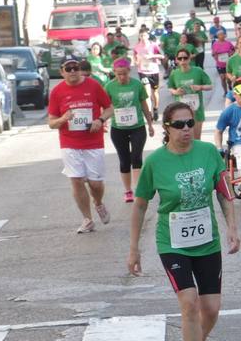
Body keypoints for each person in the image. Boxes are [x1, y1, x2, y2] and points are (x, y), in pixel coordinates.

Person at [129, 100, 241, 341]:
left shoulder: (207, 153)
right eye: (178, 125)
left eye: (190, 123)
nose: (186, 129)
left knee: (212, 309)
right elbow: (140, 205)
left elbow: (224, 192)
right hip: (173, 242)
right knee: (189, 304)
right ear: (166, 128)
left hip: (207, 241)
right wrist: (134, 249)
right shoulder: (155, 162)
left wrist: (232, 228)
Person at [47, 58, 114, 234]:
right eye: (68, 69)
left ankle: (98, 203)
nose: (72, 71)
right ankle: (87, 219)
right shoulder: (57, 92)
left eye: (75, 68)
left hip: (93, 142)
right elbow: (51, 123)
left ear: (79, 70)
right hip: (70, 143)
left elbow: (109, 108)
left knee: (95, 184)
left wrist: (100, 119)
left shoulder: (93, 86)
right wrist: (63, 119)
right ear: (61, 72)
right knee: (76, 180)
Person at [105, 58, 155, 203]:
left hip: (137, 127)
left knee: (136, 157)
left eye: (124, 74)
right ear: (114, 72)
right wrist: (103, 121)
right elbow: (106, 107)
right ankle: (128, 191)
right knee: (124, 160)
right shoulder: (109, 87)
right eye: (118, 74)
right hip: (118, 128)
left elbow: (144, 104)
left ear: (129, 72)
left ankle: (138, 189)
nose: (121, 77)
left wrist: (150, 124)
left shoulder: (137, 84)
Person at [166, 48, 212, 140]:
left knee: (196, 140)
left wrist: (200, 87)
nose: (182, 60)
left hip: (196, 111)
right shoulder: (174, 73)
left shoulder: (198, 71)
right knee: (182, 139)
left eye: (185, 58)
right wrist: (175, 92)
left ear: (189, 59)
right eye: (180, 58)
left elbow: (210, 86)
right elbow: (170, 88)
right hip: (180, 112)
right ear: (176, 60)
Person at [133, 26, 163, 117]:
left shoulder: (153, 45)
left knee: (155, 92)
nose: (143, 37)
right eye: (141, 36)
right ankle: (149, 112)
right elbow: (135, 59)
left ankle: (156, 109)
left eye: (145, 35)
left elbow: (162, 56)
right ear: (139, 37)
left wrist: (152, 56)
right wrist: (136, 62)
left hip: (153, 71)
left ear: (148, 36)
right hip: (143, 71)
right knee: (147, 92)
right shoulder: (136, 47)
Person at [211, 29, 235, 95]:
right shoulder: (215, 44)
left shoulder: (228, 43)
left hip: (228, 64)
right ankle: (225, 91)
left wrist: (231, 53)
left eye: (223, 34)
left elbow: (233, 50)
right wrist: (215, 56)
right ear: (218, 36)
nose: (222, 36)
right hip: (220, 64)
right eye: (220, 35)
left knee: (228, 78)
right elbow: (213, 54)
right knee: (222, 78)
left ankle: (230, 85)